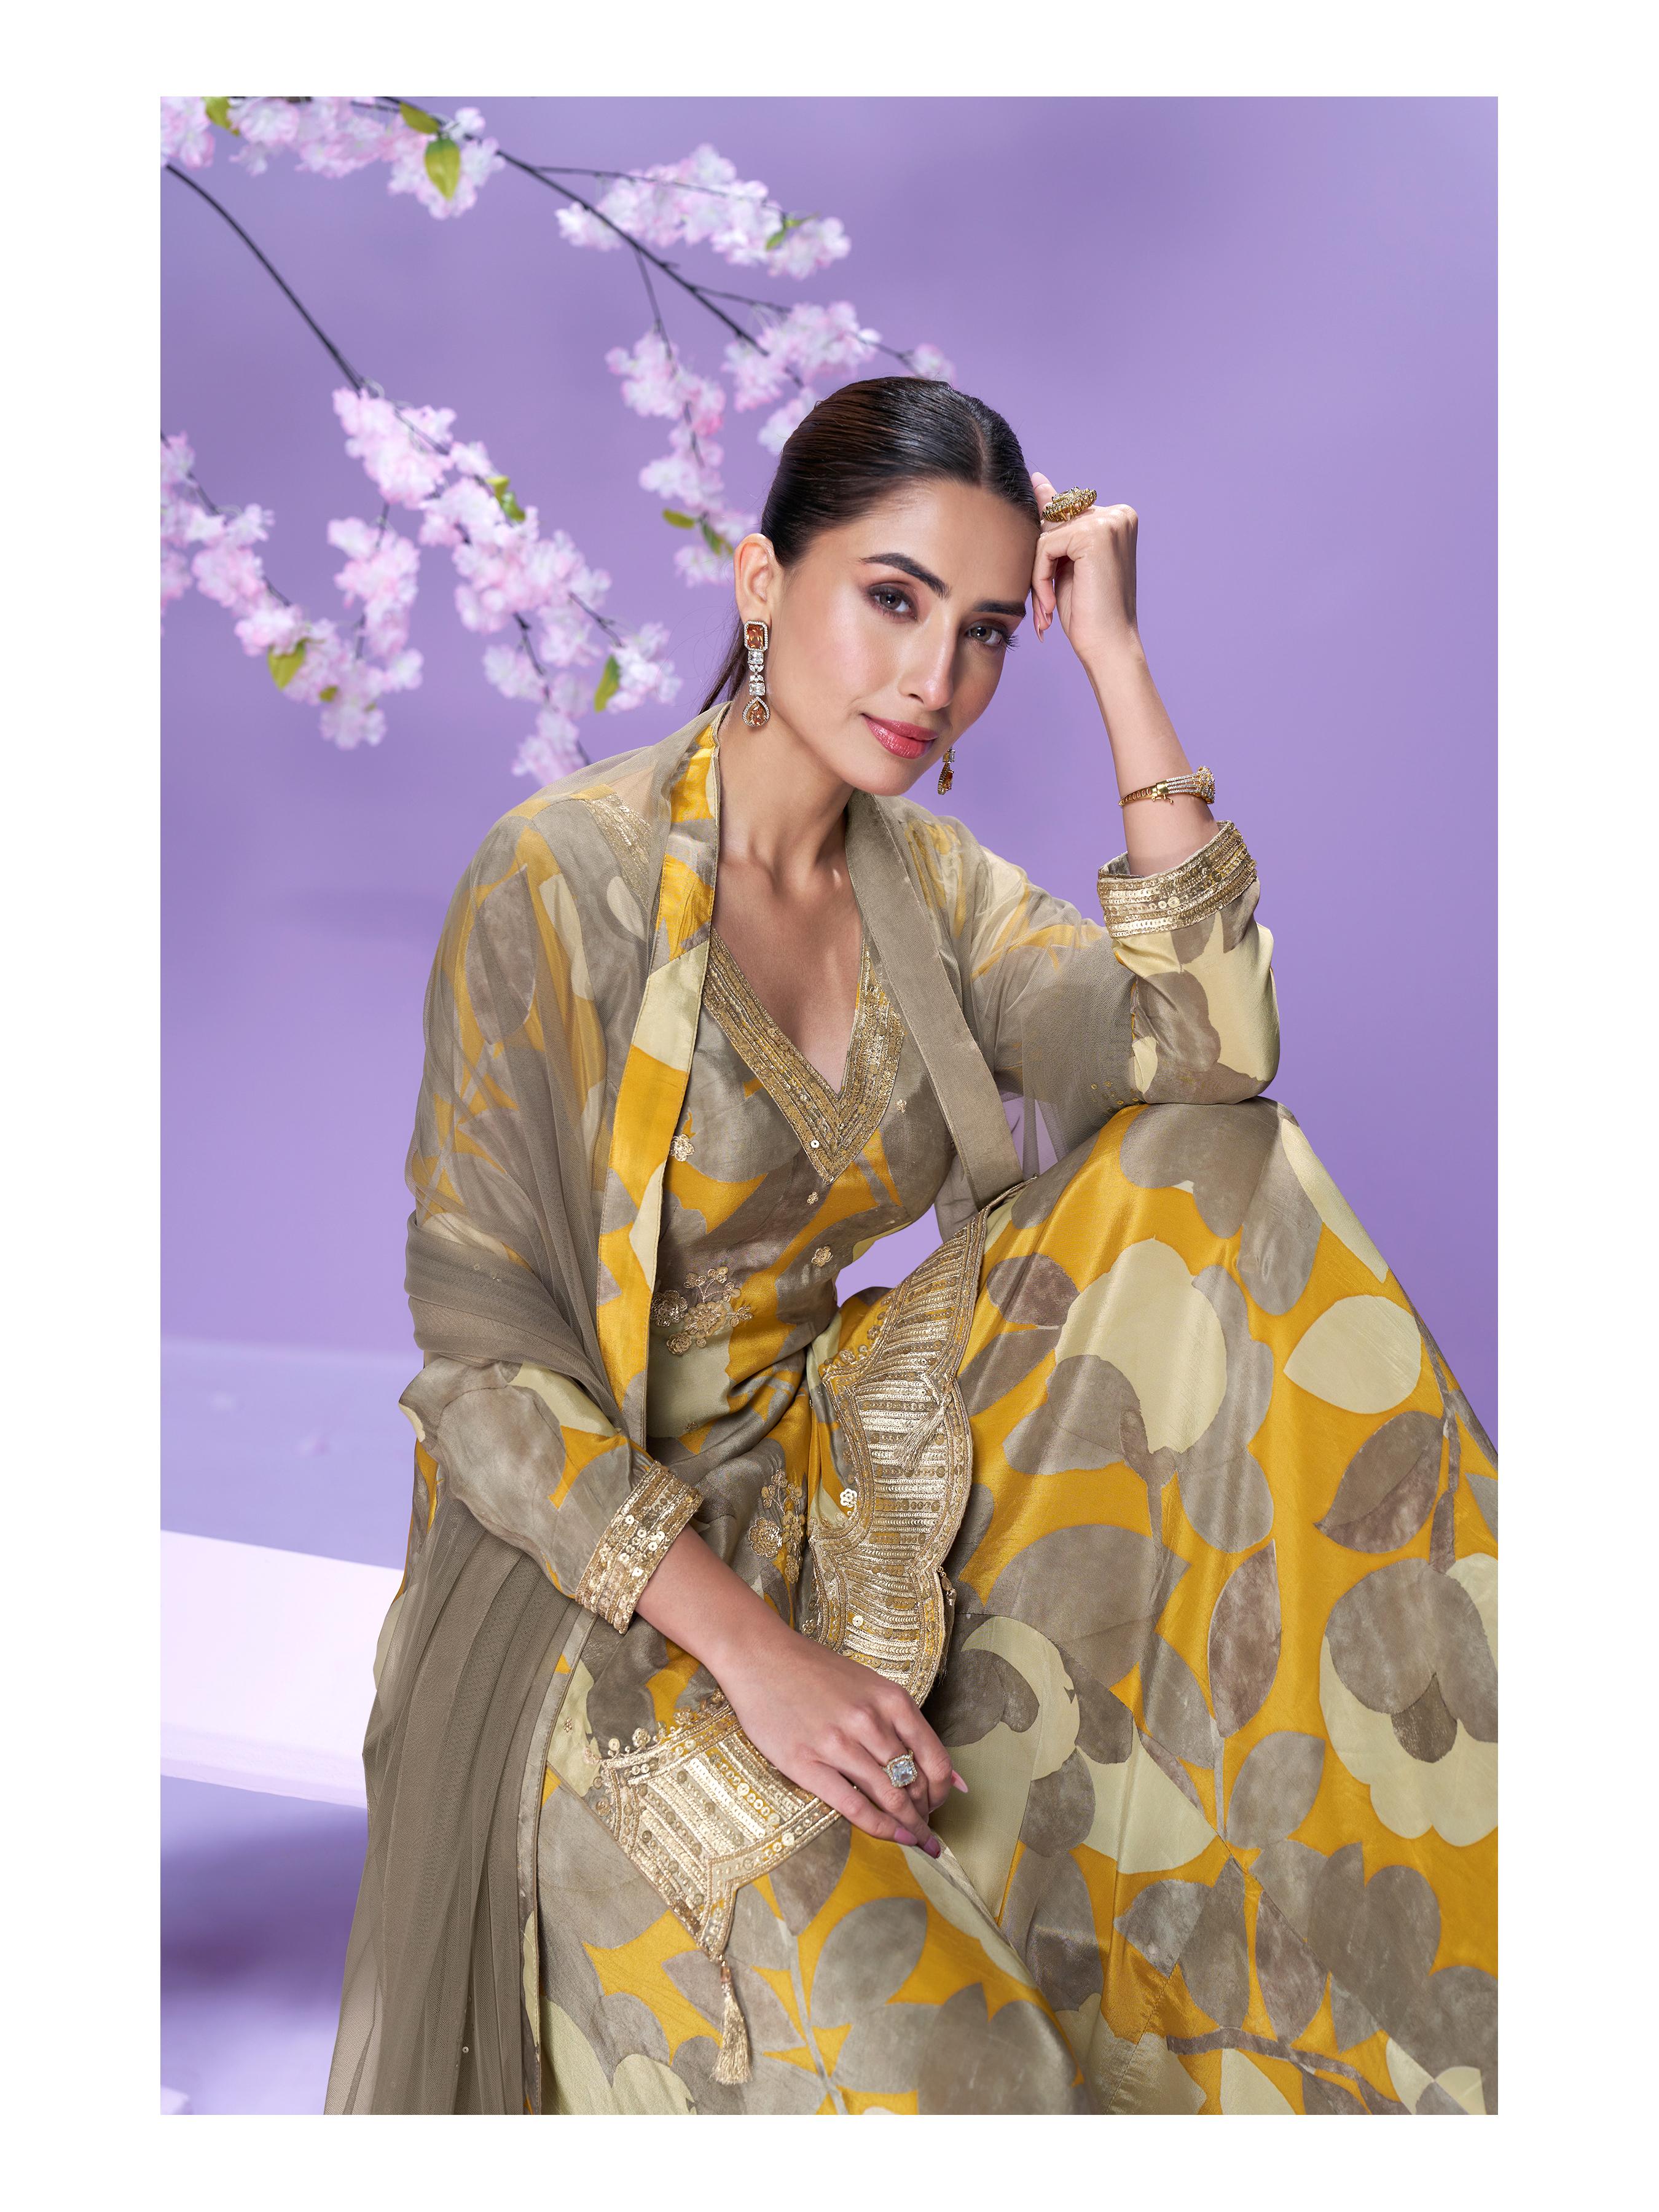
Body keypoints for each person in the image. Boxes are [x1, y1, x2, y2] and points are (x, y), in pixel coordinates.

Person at [326, 376, 1496, 2117]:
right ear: (759, 581)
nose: (934, 677)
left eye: (988, 632)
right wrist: (759, 1658)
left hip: (844, 1483)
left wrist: (1116, 660)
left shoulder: (934, 891)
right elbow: (485, 1376)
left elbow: (1214, 1054)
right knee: (959, 2069)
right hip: (605, 1587)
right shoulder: (558, 879)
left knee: (1214, 1161)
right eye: (891, 598)